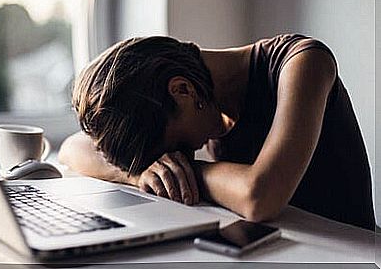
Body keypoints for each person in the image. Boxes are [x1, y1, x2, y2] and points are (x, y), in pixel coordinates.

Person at [58, 34, 375, 230]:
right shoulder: (198, 100)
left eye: (177, 147)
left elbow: (259, 197)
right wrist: (139, 174)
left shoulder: (303, 63)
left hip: (347, 252)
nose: (179, 158)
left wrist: (189, 171)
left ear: (182, 90)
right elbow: (72, 149)